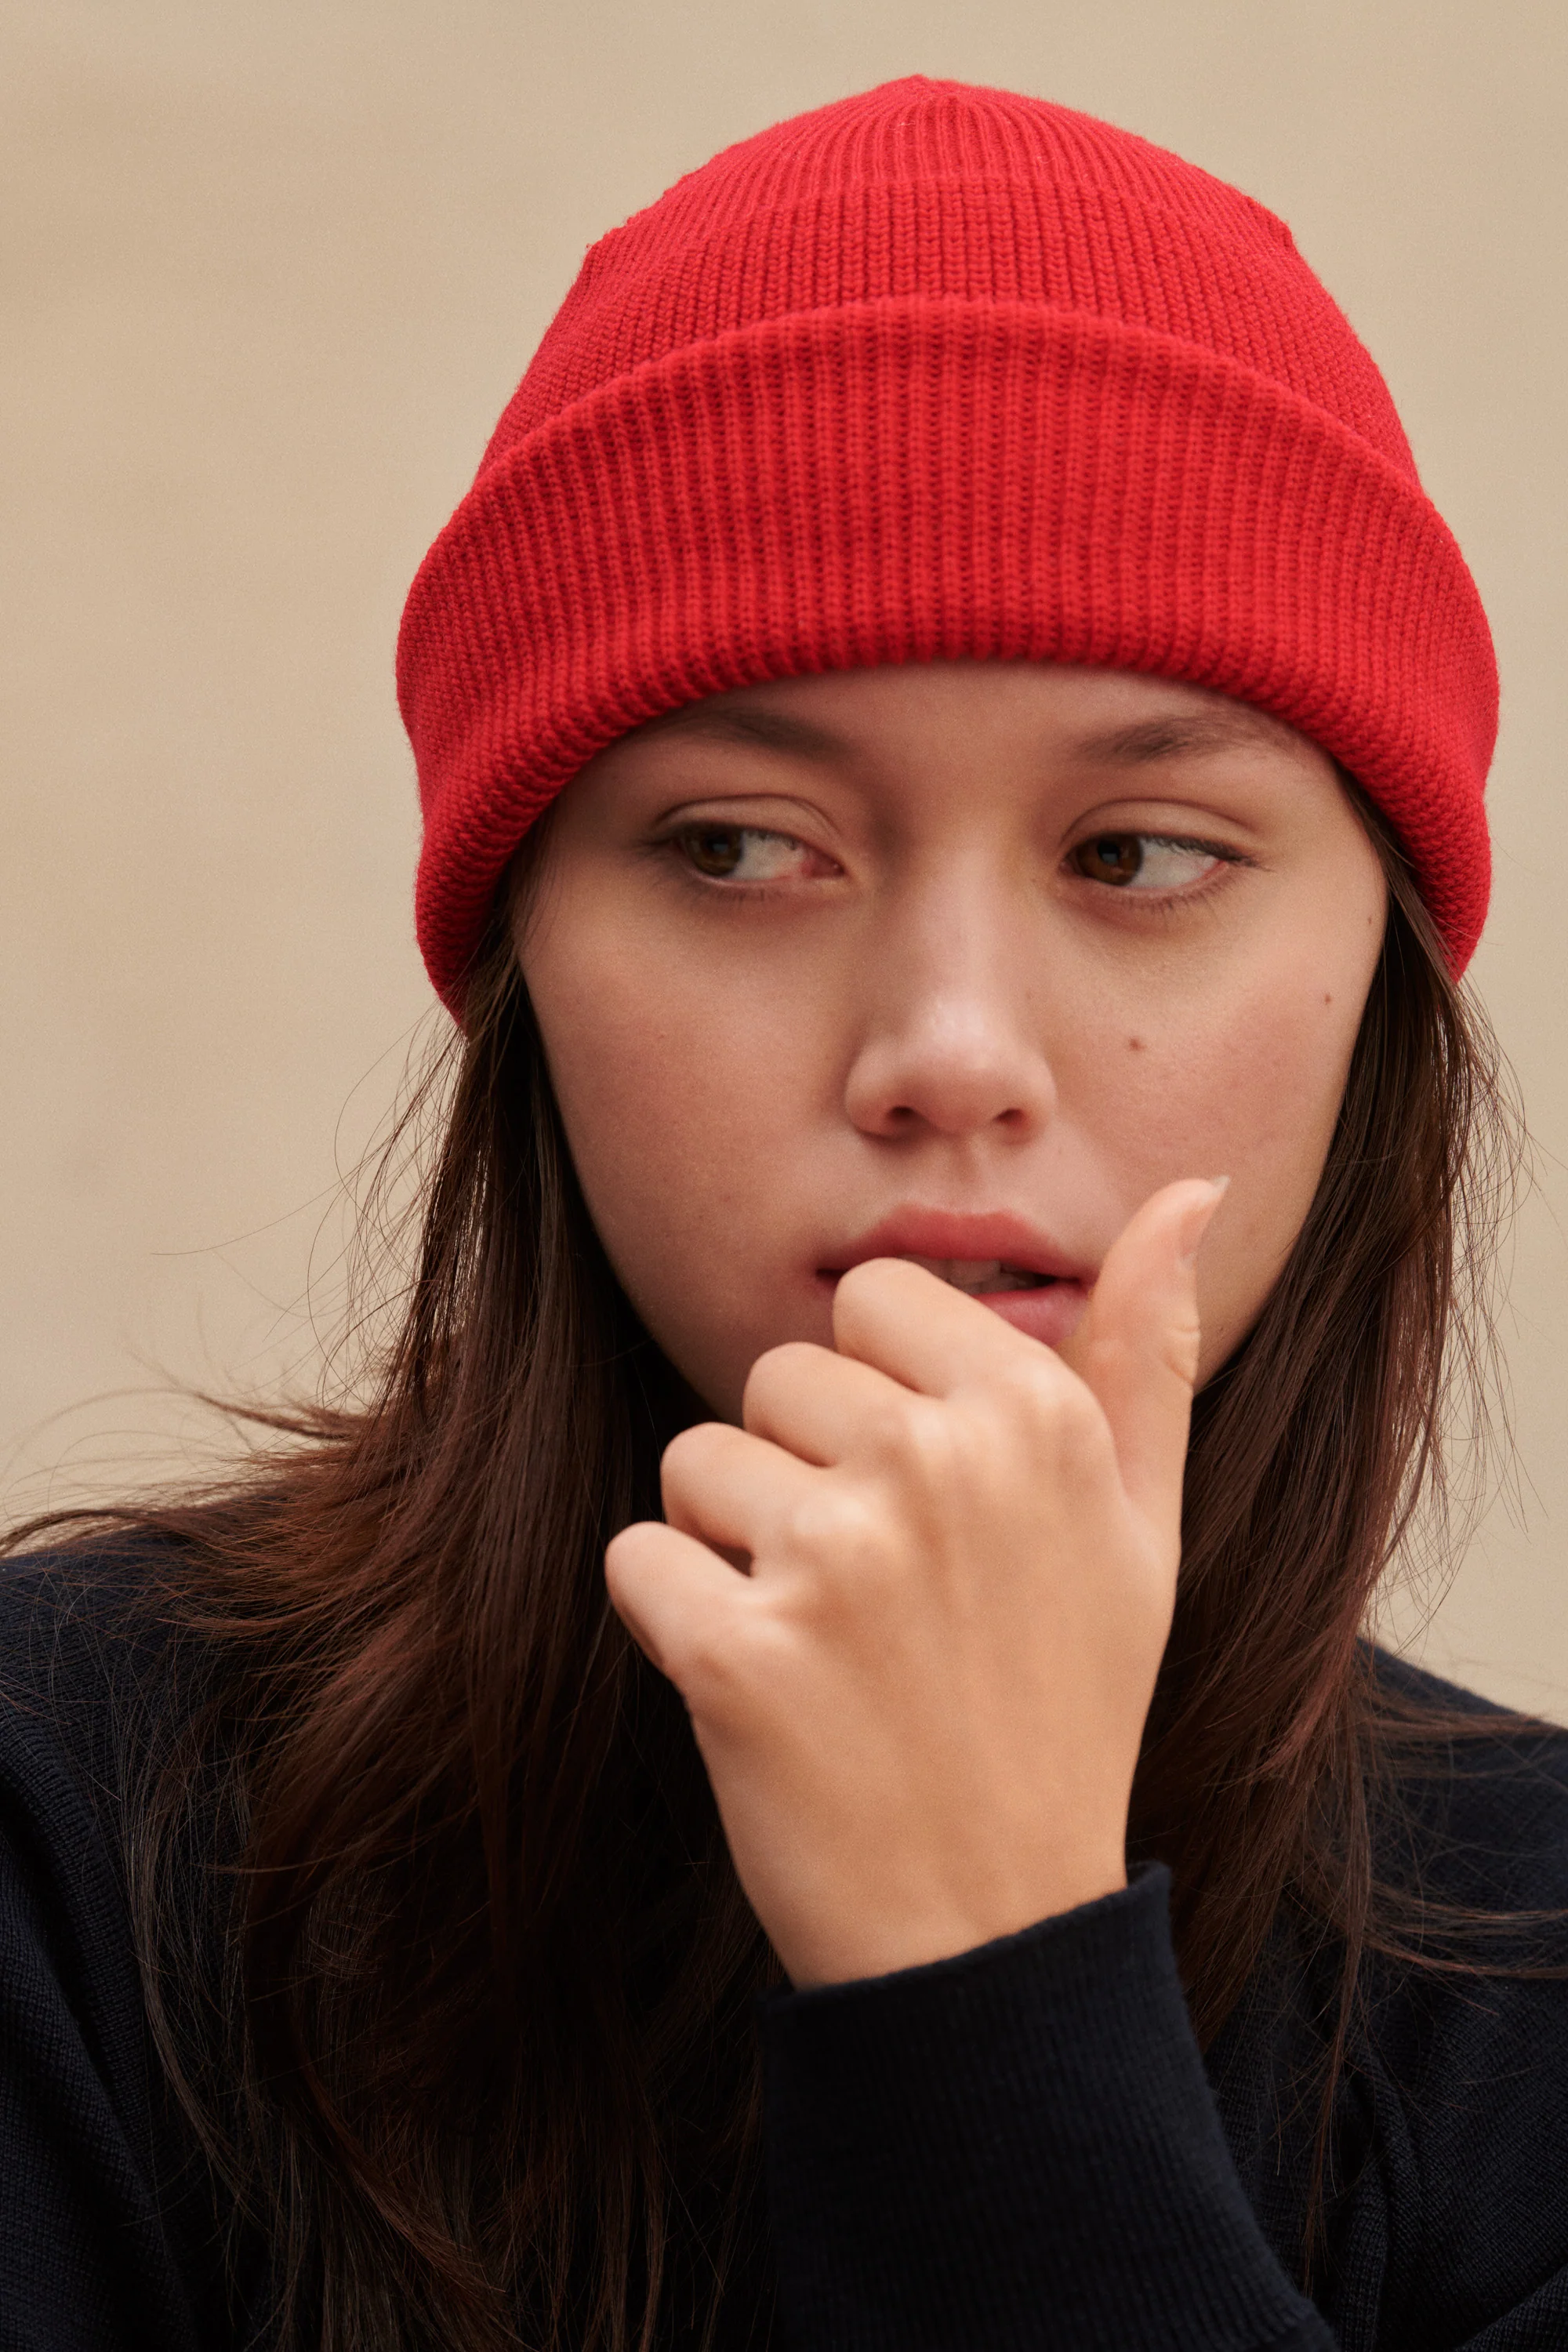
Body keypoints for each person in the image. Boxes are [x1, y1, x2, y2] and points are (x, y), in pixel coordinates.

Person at [2, 73, 1565, 2352]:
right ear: (519, 954)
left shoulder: (1530, 1984)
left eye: (1136, 854)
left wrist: (986, 1991)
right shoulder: (70, 1830)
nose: (946, 1045)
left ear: (1377, 981)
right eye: (738, 845)